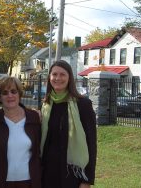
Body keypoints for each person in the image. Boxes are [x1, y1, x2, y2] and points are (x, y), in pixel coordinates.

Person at [40, 60, 97, 188]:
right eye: (54, 74)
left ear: (69, 78)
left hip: (72, 174)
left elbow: (91, 143)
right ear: (49, 78)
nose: (57, 78)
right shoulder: (46, 104)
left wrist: (87, 180)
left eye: (62, 74)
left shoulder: (83, 105)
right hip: (48, 172)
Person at [0, 76, 41, 188]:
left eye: (14, 91)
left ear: (19, 94)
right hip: (1, 182)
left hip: (30, 182)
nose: (10, 96)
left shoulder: (34, 118)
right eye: (5, 92)